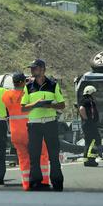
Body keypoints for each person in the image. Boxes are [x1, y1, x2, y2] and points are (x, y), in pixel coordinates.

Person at [21, 59, 65, 191]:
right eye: (31, 68)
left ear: (42, 69)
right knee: (34, 155)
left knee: (53, 154)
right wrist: (35, 104)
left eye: (34, 68)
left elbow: (62, 105)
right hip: (34, 125)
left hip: (50, 123)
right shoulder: (28, 87)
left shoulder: (53, 85)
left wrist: (49, 105)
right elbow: (23, 108)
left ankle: (57, 183)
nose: (32, 70)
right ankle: (35, 183)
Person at [2, 72, 50, 190]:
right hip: (31, 131)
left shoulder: (6, 95)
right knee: (42, 155)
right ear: (24, 82)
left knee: (23, 158)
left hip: (16, 133)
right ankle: (43, 182)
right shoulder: (29, 93)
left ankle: (27, 184)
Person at [79, 85, 102, 167]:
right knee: (94, 141)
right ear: (90, 93)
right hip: (89, 124)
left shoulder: (87, 100)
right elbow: (81, 109)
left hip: (88, 124)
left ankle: (87, 160)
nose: (95, 95)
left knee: (88, 142)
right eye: (94, 93)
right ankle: (91, 160)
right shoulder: (87, 101)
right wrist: (87, 120)